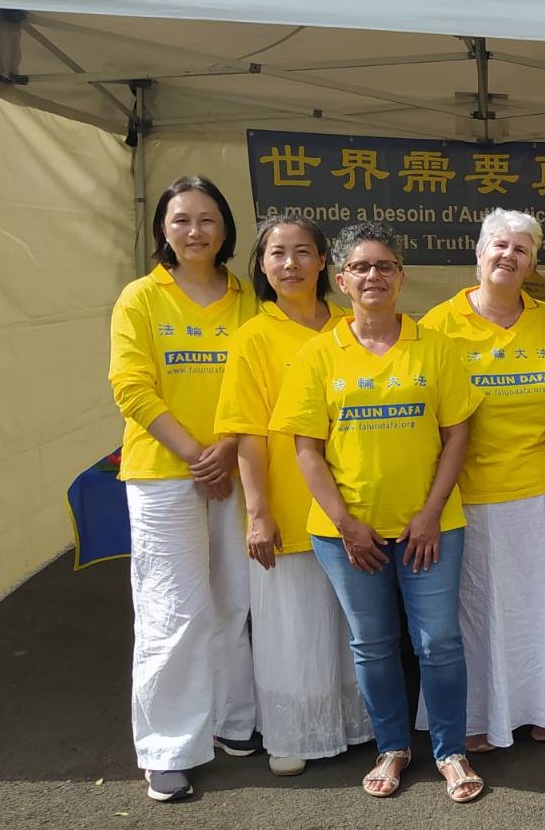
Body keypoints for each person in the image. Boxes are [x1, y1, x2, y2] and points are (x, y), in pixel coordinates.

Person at [270, 222, 485, 802]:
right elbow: (306, 451)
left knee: (438, 640)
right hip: (346, 533)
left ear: (401, 277)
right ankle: (392, 746)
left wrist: (431, 512)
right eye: (360, 268)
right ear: (340, 281)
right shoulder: (318, 356)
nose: (372, 276)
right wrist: (346, 525)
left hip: (430, 526)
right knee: (373, 643)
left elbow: (457, 434)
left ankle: (450, 750)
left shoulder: (436, 348)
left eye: (384, 266)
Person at [108, 175, 258, 803]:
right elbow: (132, 387)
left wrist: (227, 449)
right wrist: (200, 455)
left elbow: (261, 380)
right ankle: (168, 747)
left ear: (225, 229)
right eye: (181, 220)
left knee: (234, 600)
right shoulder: (141, 298)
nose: (194, 232)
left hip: (234, 467)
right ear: (162, 231)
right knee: (173, 608)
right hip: (165, 474)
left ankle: (231, 720)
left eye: (206, 220)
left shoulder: (248, 297)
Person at [416, 208, 545, 752]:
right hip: (472, 496)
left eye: (521, 250)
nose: (508, 256)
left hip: (542, 491)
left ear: (533, 262)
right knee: (478, 612)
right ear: (479, 253)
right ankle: (475, 716)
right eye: (499, 246)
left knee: (544, 606)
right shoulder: (438, 326)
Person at [215, 218, 372, 776]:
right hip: (285, 504)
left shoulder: (352, 326)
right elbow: (247, 435)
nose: (291, 264)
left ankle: (356, 724)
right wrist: (257, 514)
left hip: (354, 504)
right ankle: (292, 733)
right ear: (261, 265)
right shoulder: (254, 338)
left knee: (348, 622)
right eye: (277, 254)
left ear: (325, 261)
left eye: (303, 252)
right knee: (291, 627)